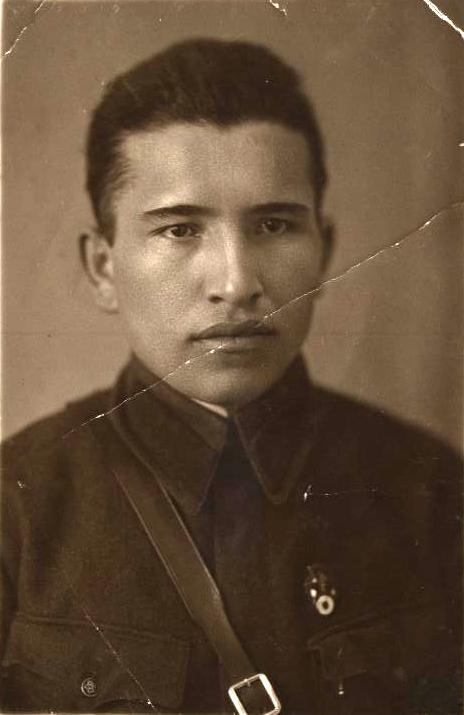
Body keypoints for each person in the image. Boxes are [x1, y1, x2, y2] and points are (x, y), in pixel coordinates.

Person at [0, 39, 461, 714]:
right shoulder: (17, 508)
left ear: (326, 250)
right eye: (180, 229)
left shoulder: (432, 492)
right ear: (102, 267)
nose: (238, 282)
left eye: (274, 224)